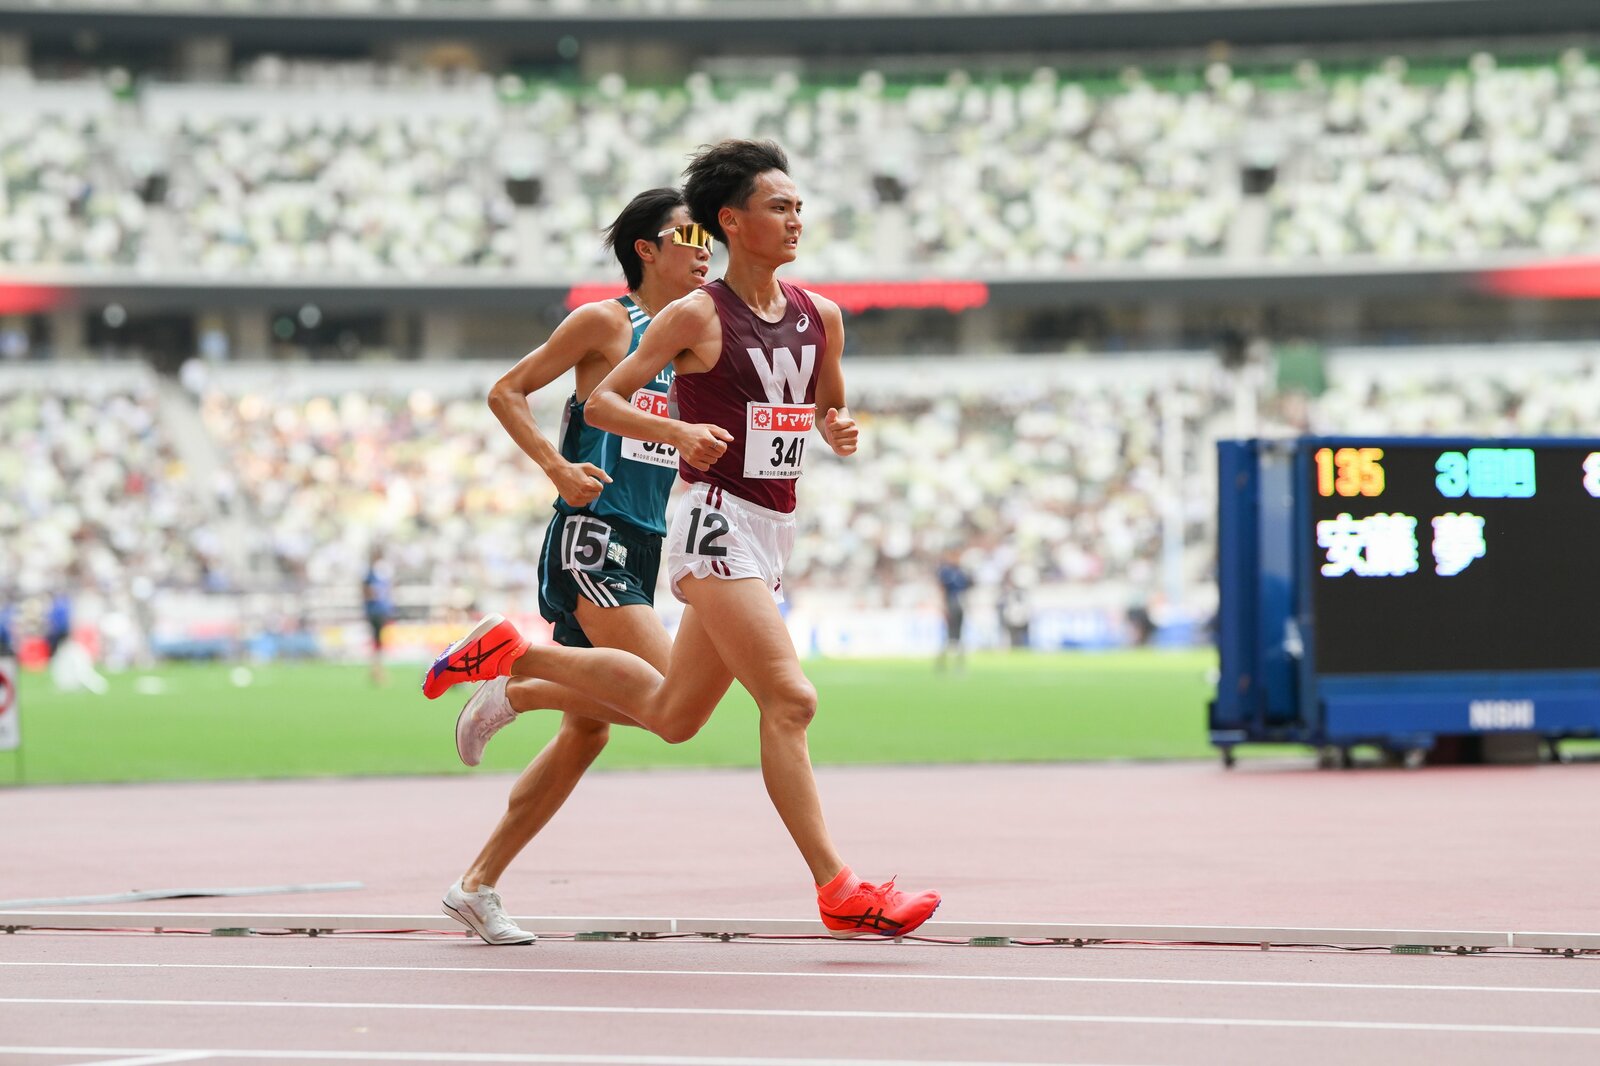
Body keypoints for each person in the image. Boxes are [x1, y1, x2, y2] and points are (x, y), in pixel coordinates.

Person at [423, 140, 941, 940]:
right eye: (778, 206)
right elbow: (575, 401)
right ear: (712, 228)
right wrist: (576, 466)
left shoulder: (818, 316)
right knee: (789, 699)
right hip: (661, 528)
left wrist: (835, 425)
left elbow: (822, 405)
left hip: (752, 529)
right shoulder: (656, 319)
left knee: (664, 716)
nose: (796, 218)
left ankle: (511, 685)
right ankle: (838, 888)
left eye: (800, 205)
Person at [440, 187, 713, 946]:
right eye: (685, 234)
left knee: (590, 732)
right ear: (646, 250)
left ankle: (476, 885)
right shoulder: (606, 322)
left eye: (707, 238)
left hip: (647, 542)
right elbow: (507, 391)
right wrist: (556, 469)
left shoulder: (688, 342)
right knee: (674, 704)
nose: (702, 248)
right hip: (594, 534)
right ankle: (518, 677)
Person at [935, 548, 971, 672]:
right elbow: (942, 589)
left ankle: (958, 665)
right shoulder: (946, 571)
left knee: (959, 636)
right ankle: (942, 662)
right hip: (951, 604)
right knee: (950, 636)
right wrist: (944, 606)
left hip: (960, 603)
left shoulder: (961, 571)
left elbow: (966, 588)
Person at [362, 548, 393, 686]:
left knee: (378, 641)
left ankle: (377, 670)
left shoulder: (379, 573)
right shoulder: (372, 574)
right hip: (375, 611)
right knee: (377, 641)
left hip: (379, 610)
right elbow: (367, 591)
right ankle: (377, 670)